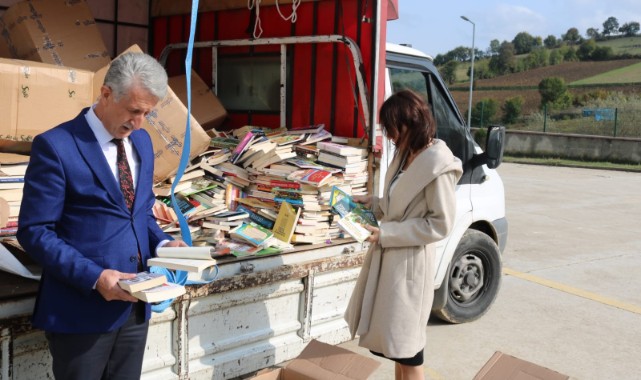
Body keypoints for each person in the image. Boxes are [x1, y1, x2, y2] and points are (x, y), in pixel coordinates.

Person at [17, 52, 188, 380]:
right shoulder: (57, 146)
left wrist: (165, 245)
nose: (138, 122)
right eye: (134, 111)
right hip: (80, 312)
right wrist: (95, 277)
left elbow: (140, 215)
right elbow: (35, 231)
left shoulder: (140, 141)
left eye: (147, 114)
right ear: (106, 94)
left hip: (135, 309)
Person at [344, 90, 463, 380]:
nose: (391, 136)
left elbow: (440, 224)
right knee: (396, 351)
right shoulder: (406, 154)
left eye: (393, 129)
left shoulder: (439, 165)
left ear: (412, 122)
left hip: (410, 266)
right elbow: (397, 203)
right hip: (391, 263)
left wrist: (386, 234)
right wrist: (373, 202)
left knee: (409, 354)